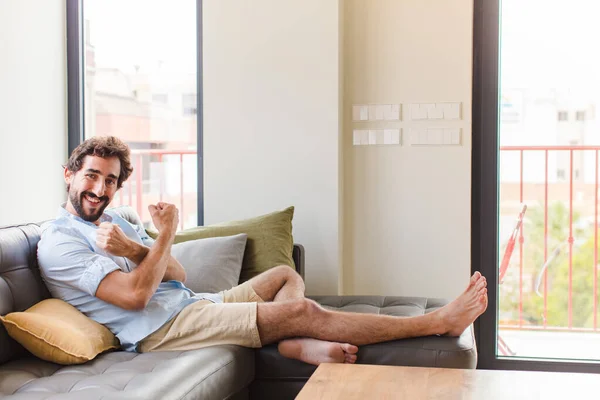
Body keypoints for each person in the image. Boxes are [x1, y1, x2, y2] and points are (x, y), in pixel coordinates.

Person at [38, 136, 488, 366]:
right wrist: (168, 231)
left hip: (190, 304)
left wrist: (142, 245)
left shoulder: (114, 220)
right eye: (92, 176)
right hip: (161, 330)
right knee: (304, 307)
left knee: (282, 275)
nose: (100, 189)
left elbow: (176, 274)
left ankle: (292, 342)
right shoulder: (59, 242)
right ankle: (436, 322)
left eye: (111, 180)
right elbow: (136, 297)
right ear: (69, 174)